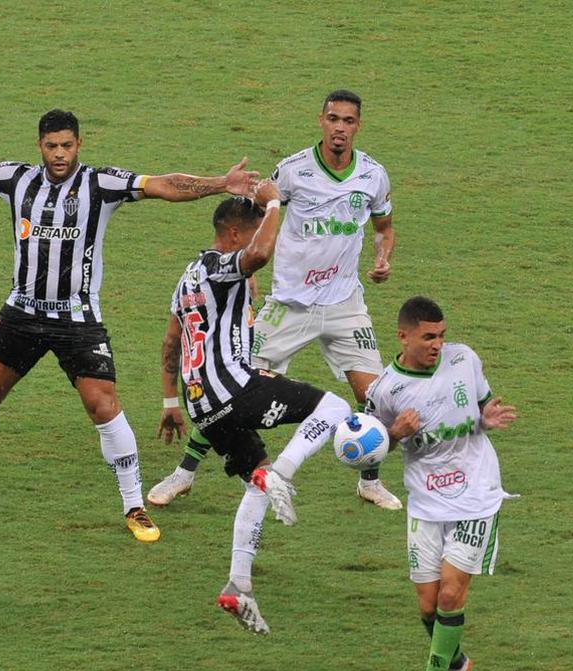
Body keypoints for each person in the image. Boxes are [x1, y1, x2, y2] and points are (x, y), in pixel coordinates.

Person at [0, 110, 258, 542]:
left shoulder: (101, 185)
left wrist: (217, 184)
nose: (59, 154)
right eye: (51, 146)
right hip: (22, 312)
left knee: (104, 405)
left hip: (77, 319)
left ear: (80, 144)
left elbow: (162, 184)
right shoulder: (17, 179)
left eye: (67, 146)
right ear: (39, 146)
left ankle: (134, 507)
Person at [148, 89, 402, 511]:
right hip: (289, 305)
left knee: (373, 395)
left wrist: (381, 256)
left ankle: (369, 481)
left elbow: (384, 226)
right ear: (320, 121)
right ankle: (184, 472)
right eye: (333, 119)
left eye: (348, 121)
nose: (340, 128)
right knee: (229, 387)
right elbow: (246, 222)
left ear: (359, 126)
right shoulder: (292, 171)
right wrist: (241, 279)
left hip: (344, 303)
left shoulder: (374, 175)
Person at [158, 181, 353, 634]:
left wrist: (171, 400)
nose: (262, 240)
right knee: (335, 407)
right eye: (252, 233)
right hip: (235, 389)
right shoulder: (218, 264)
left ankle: (237, 586)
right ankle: (281, 474)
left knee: (255, 483)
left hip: (203, 406)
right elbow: (258, 255)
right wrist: (273, 203)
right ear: (230, 235)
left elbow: (171, 342)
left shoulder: (186, 277)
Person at [360, 297, 518, 671]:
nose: (438, 344)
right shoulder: (386, 390)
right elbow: (363, 454)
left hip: (476, 496)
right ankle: (456, 663)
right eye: (429, 337)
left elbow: (484, 405)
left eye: (442, 335)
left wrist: (486, 418)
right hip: (426, 503)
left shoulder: (464, 359)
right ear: (404, 336)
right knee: (428, 608)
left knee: (450, 596)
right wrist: (394, 435)